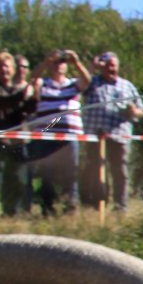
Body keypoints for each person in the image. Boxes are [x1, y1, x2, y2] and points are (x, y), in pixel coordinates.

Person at [81, 51, 143, 212]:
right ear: (101, 66)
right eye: (107, 65)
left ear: (118, 67)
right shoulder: (92, 82)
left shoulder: (127, 86)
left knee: (120, 171)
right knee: (95, 170)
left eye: (113, 65)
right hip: (96, 135)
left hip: (120, 135)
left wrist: (134, 111)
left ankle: (120, 206)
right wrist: (92, 66)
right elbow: (80, 85)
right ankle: (97, 205)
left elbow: (141, 110)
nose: (111, 69)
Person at [29, 49, 90, 215]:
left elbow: (87, 81)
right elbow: (32, 80)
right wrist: (45, 62)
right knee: (47, 172)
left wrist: (77, 62)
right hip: (46, 135)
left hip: (69, 137)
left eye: (62, 62)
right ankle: (47, 208)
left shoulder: (73, 84)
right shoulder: (43, 83)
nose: (58, 66)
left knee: (71, 172)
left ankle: (71, 206)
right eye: (55, 63)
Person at [0, 52, 38, 218]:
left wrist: (35, 95)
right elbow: (1, 102)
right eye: (0, 66)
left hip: (15, 142)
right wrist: (23, 93)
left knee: (16, 178)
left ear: (13, 69)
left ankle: (11, 213)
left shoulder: (17, 89)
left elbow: (28, 110)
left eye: (7, 66)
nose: (4, 69)